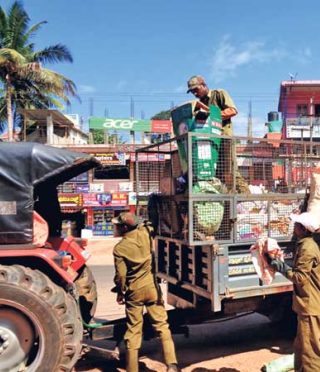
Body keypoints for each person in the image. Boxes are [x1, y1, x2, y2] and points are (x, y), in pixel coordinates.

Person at [112, 212, 180, 372]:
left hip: (134, 293)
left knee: (134, 331)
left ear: (124, 227)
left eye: (117, 225)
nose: (115, 227)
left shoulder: (120, 248)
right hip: (152, 289)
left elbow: (121, 276)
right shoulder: (145, 233)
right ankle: (172, 365)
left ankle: (132, 369)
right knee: (162, 326)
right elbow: (152, 221)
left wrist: (120, 292)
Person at [267, 212, 320, 372]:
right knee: (301, 345)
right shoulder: (305, 244)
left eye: (296, 226)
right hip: (307, 304)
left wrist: (280, 266)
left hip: (310, 305)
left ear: (303, 229)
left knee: (310, 349)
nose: (294, 228)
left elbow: (300, 277)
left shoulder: (307, 248)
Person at [186, 75, 248, 193]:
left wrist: (212, 115)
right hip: (209, 141)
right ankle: (224, 200)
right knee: (215, 171)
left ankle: (246, 197)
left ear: (203, 85)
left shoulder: (219, 94)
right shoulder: (199, 103)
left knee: (230, 170)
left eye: (196, 90)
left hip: (224, 138)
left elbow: (233, 110)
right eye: (192, 92)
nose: (194, 93)